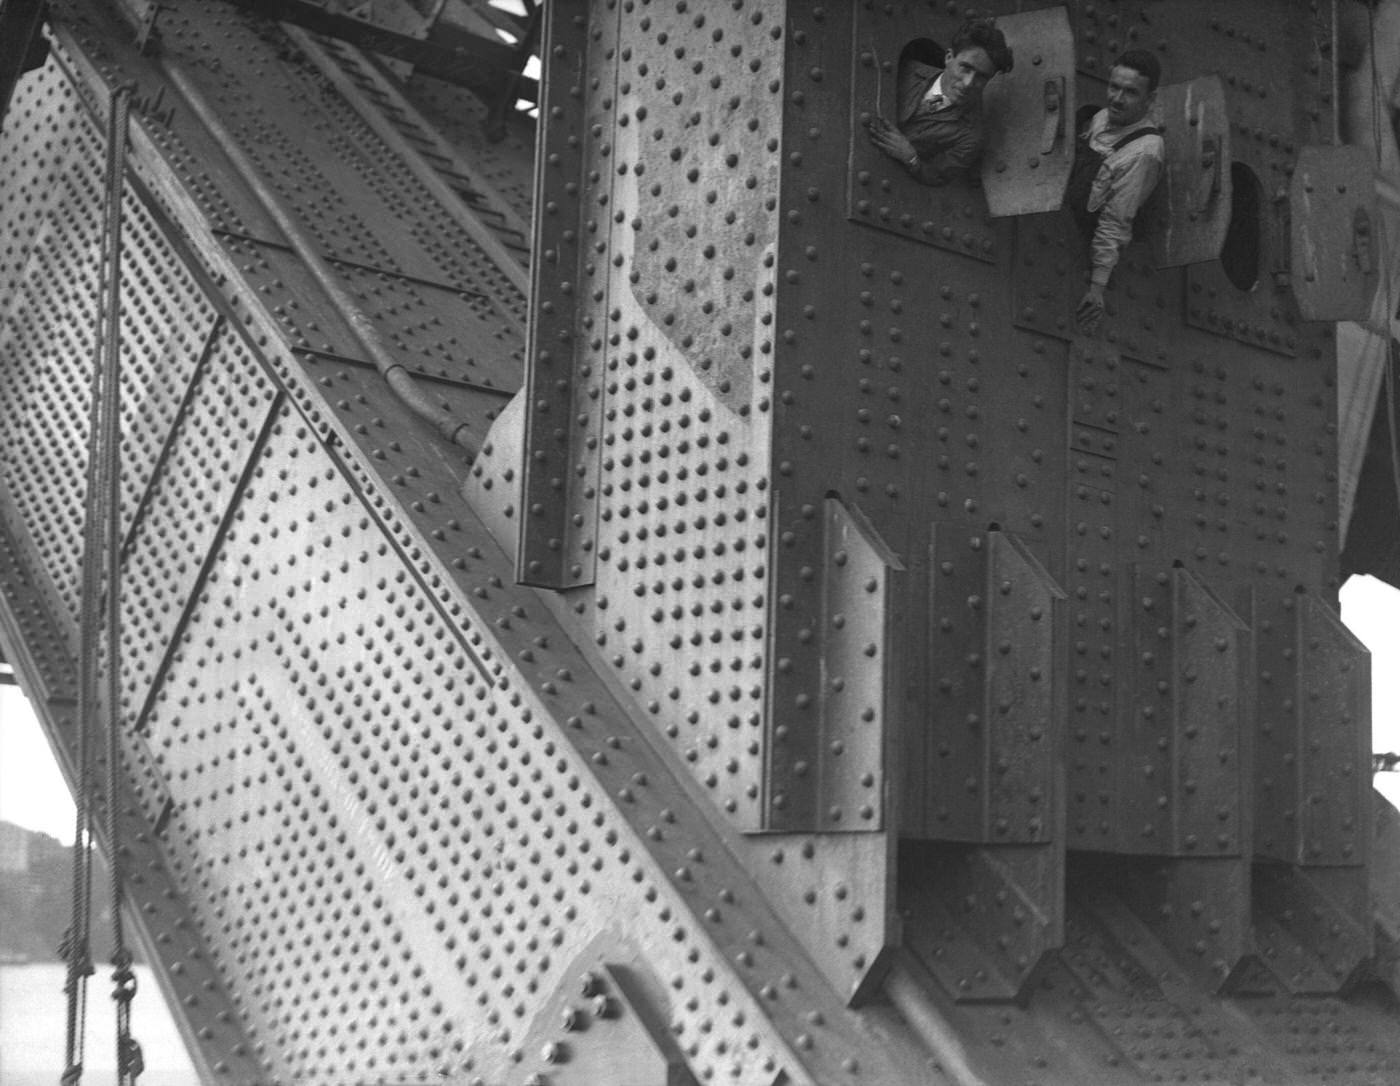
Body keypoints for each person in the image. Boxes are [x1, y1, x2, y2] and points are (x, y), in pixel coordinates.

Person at [1069, 50, 1165, 334]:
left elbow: (1116, 220)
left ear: (1150, 99)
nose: (1117, 99)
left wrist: (1097, 286)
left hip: (1085, 235)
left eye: (1130, 92)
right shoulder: (1102, 117)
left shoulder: (1145, 152)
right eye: (1114, 87)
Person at [865, 15, 1014, 186]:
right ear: (949, 57)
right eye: (965, 68)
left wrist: (911, 158)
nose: (968, 83)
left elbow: (938, 176)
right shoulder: (907, 69)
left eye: (982, 77)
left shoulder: (971, 136)